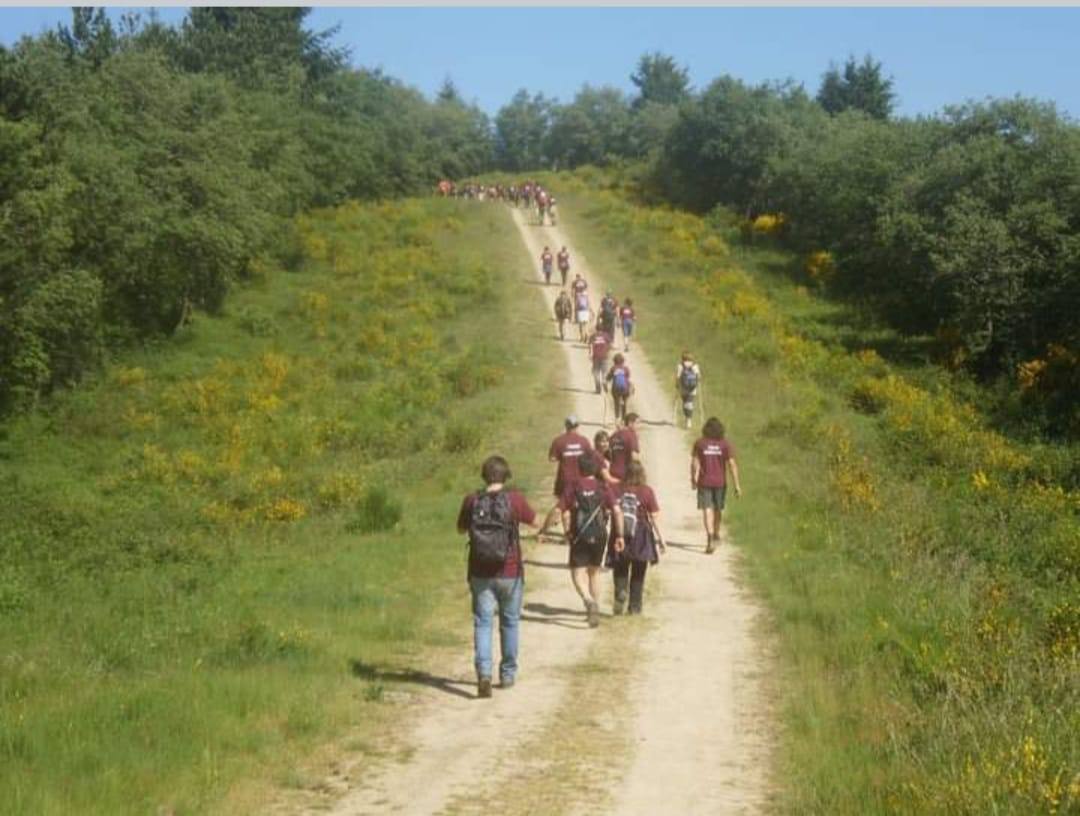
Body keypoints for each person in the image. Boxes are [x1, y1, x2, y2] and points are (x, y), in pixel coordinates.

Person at [457, 455, 539, 697]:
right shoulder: (514, 500)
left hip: (480, 572)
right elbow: (535, 521)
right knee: (510, 622)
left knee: (483, 623)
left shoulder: (472, 500)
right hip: (510, 571)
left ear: (484, 476)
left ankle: (484, 674)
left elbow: (461, 529)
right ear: (506, 476)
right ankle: (507, 673)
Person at [560, 453, 623, 627]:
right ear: (595, 469)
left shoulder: (573, 486)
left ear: (579, 468)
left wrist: (566, 531)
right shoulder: (603, 486)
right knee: (594, 572)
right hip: (600, 533)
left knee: (577, 572)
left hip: (579, 534)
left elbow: (563, 512)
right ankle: (595, 608)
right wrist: (619, 535)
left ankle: (588, 601)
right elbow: (617, 511)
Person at [607, 461, 665, 615]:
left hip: (619, 532)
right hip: (640, 534)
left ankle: (620, 591)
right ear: (642, 475)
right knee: (639, 571)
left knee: (620, 567)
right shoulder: (647, 491)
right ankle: (635, 607)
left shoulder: (616, 488)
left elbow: (608, 510)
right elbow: (654, 516)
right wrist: (661, 540)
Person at [691, 417, 742, 554]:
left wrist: (693, 479)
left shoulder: (700, 443)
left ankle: (710, 536)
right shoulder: (724, 444)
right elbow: (732, 464)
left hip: (704, 481)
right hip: (720, 482)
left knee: (707, 509)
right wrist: (737, 485)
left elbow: (695, 462)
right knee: (718, 509)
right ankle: (715, 533)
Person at [538, 416, 595, 537]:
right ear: (577, 426)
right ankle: (568, 534)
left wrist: (564, 456)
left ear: (566, 425)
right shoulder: (584, 441)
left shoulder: (559, 441)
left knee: (563, 506)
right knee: (571, 507)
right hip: (580, 479)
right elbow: (591, 457)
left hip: (564, 478)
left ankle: (547, 531)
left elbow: (552, 458)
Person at [608, 412, 640, 481]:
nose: (639, 426)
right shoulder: (631, 435)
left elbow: (607, 452)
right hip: (626, 474)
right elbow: (634, 457)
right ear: (630, 423)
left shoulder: (614, 435)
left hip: (613, 472)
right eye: (637, 423)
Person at [675, 351, 702, 429]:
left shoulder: (680, 366)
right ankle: (688, 420)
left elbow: (678, 377)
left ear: (683, 358)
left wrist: (677, 385)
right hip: (692, 389)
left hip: (683, 389)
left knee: (685, 403)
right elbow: (699, 377)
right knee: (689, 403)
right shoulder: (695, 366)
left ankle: (688, 419)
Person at [606, 352, 633, 423]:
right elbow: (628, 377)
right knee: (624, 403)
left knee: (616, 403)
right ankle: (623, 419)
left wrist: (606, 382)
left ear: (614, 361)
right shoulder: (626, 368)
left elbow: (608, 378)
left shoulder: (613, 368)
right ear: (623, 361)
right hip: (625, 389)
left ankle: (617, 418)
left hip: (616, 389)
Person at [588, 326, 612, 395]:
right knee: (604, 372)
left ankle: (598, 388)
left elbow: (590, 345)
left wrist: (590, 354)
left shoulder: (593, 336)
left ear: (596, 329)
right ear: (602, 329)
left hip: (595, 357)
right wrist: (608, 351)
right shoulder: (606, 335)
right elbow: (610, 344)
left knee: (595, 372)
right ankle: (604, 381)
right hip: (604, 356)